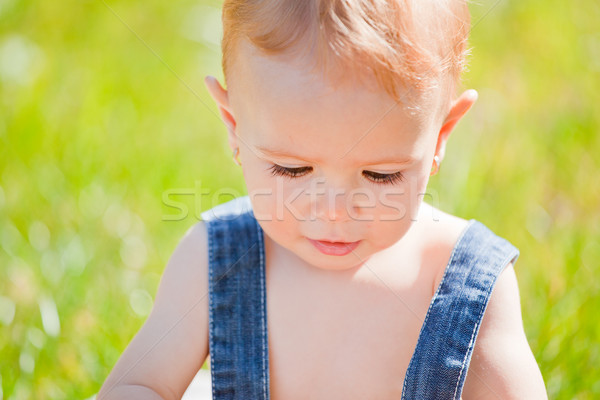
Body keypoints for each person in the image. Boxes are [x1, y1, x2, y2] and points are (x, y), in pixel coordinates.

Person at [98, 0, 548, 398]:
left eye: (381, 174)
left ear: (439, 138)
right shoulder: (215, 261)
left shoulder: (462, 282)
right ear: (234, 126)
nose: (334, 209)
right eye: (292, 170)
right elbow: (140, 384)